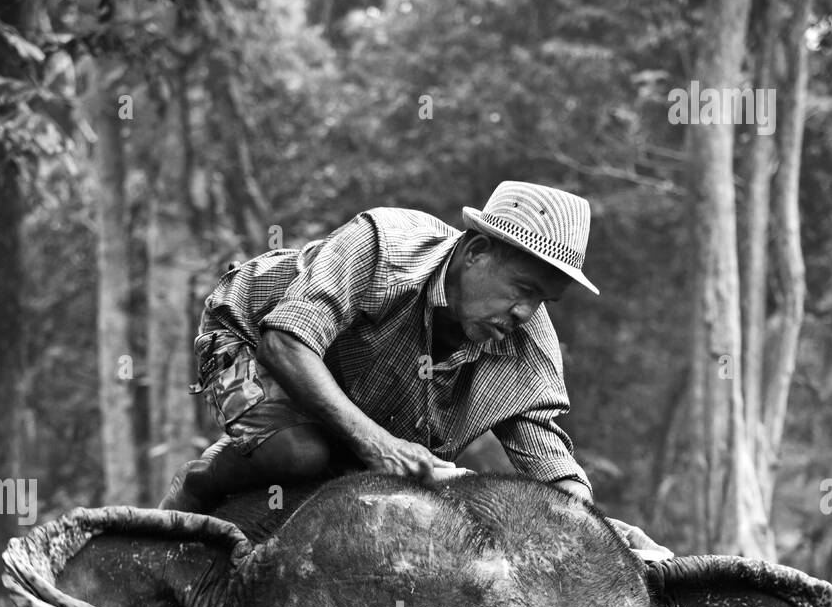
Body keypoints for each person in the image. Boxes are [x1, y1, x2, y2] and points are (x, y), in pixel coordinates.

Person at [160, 180, 670, 558]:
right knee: (302, 453)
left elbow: (554, 472)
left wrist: (604, 536)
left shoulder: (528, 343)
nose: (526, 313)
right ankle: (200, 483)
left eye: (544, 300)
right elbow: (286, 342)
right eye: (523, 290)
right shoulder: (386, 244)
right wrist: (378, 445)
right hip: (253, 335)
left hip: (366, 396)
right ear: (475, 254)